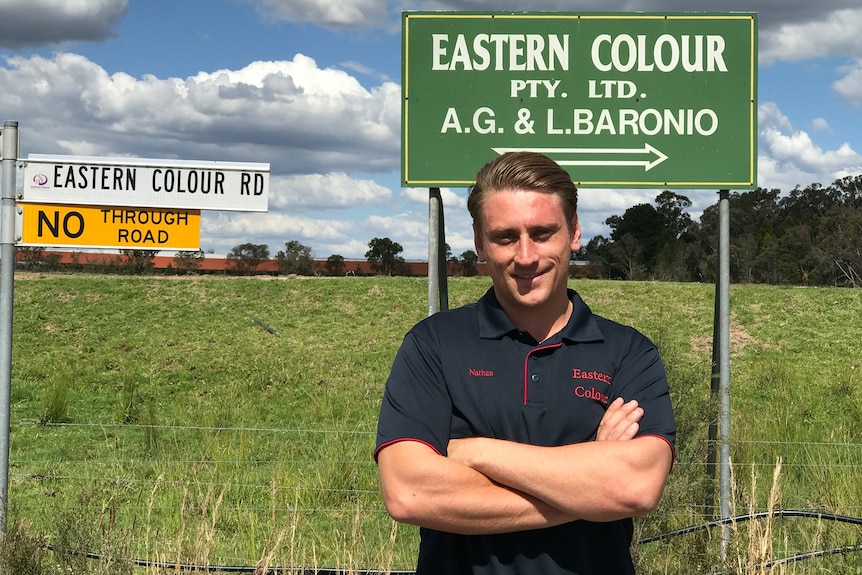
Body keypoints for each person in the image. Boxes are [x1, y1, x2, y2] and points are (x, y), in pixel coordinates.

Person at [374, 151, 675, 575]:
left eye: (542, 232)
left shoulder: (628, 351)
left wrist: (478, 453)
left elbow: (635, 487)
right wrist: (589, 484)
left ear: (573, 233)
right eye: (505, 237)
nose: (526, 256)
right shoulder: (434, 346)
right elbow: (409, 493)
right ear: (479, 242)